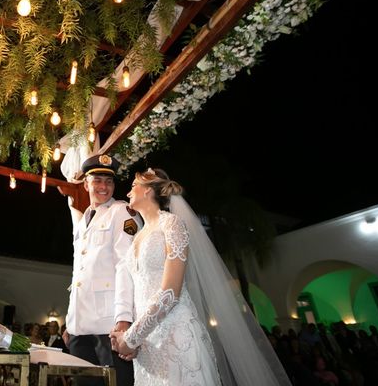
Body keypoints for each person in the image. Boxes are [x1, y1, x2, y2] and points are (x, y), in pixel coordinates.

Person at [109, 168, 291, 386]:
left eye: (133, 186)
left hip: (177, 336)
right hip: (148, 345)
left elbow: (169, 293)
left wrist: (130, 338)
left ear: (148, 190)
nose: (128, 192)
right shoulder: (137, 238)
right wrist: (132, 339)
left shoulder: (172, 224)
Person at [63, 154, 143, 386]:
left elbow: (126, 267)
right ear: (86, 183)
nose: (103, 186)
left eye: (109, 182)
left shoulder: (122, 212)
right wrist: (70, 321)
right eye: (97, 180)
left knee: (117, 382)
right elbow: (79, 273)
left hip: (109, 324)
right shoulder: (83, 220)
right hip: (80, 324)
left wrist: (124, 319)